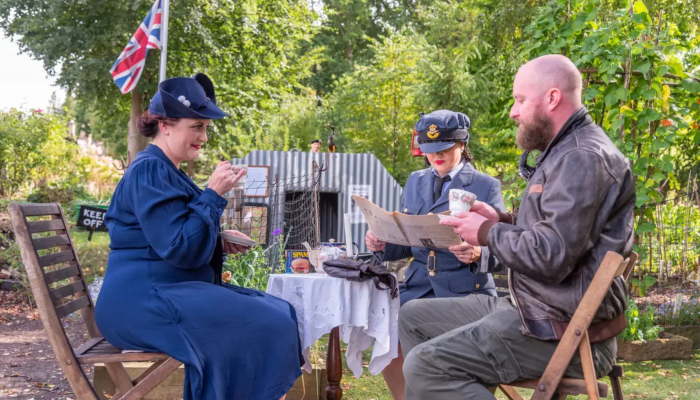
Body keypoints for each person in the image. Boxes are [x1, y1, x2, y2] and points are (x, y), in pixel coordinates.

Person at [397, 54, 634, 400]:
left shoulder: (582, 157)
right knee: (413, 315)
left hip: (562, 330)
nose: (513, 111)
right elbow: (553, 232)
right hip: (536, 308)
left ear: (552, 98)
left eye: (520, 99)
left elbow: (551, 256)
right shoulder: (564, 152)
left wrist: (486, 232)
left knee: (425, 365)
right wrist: (501, 220)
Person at [95, 74, 303, 400]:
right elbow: (180, 250)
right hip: (142, 302)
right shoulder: (150, 170)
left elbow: (172, 237)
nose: (204, 137)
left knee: (281, 311)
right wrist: (213, 195)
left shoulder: (166, 170)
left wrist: (217, 241)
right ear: (165, 125)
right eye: (196, 127)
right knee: (270, 324)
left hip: (167, 291)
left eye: (205, 128)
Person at [365, 110, 505, 400]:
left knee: (435, 347)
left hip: (464, 290)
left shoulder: (485, 185)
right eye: (430, 150)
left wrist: (478, 252)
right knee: (383, 325)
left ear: (462, 145)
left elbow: (504, 248)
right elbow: (405, 243)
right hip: (415, 286)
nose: (436, 156)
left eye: (444, 149)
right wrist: (381, 242)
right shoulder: (415, 181)